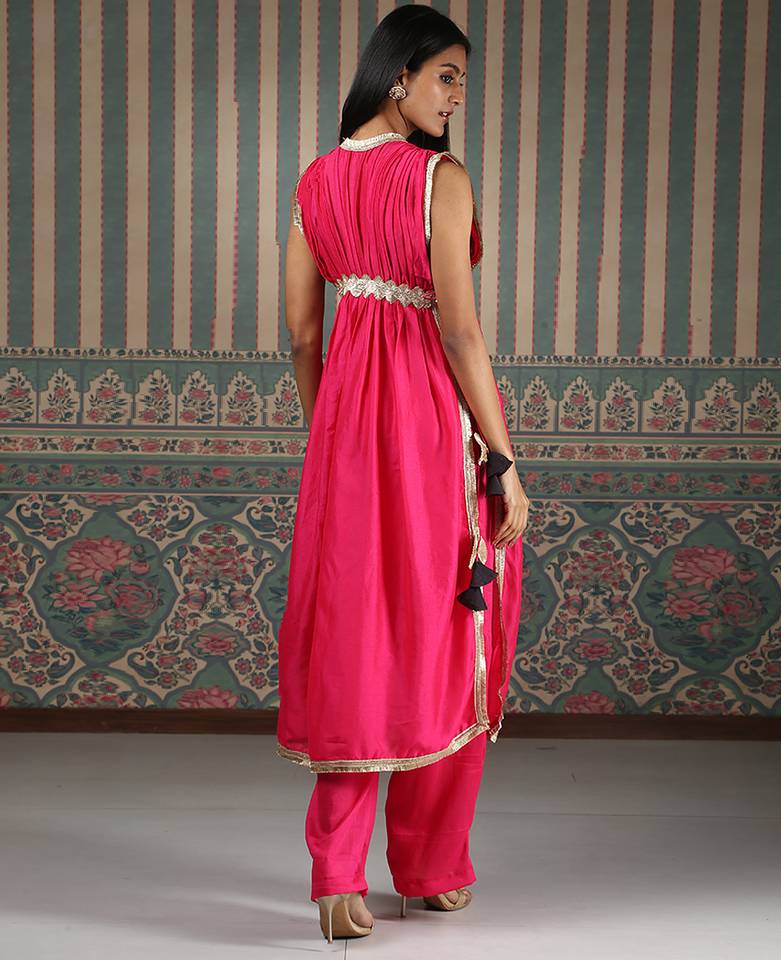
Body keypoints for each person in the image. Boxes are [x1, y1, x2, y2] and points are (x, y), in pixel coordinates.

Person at [278, 4, 528, 943]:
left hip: (345, 432)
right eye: (448, 76)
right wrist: (504, 460)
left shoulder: (315, 180)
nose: (457, 95)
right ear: (399, 77)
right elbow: (459, 331)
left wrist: (331, 431)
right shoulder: (439, 179)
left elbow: (303, 333)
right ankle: (429, 866)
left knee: (356, 634)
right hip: (429, 425)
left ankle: (337, 879)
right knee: (455, 623)